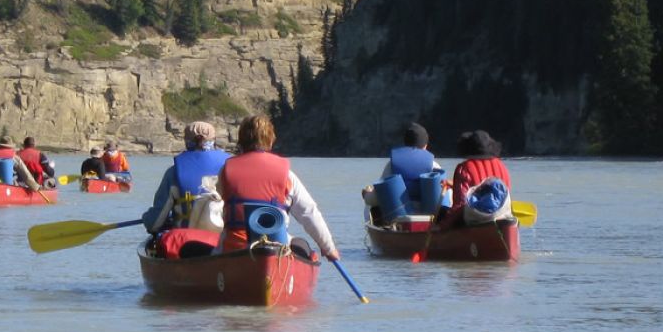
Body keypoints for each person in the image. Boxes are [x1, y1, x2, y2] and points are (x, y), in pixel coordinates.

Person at [216, 114, 339, 261]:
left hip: (234, 248)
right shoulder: (287, 175)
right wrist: (328, 248)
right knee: (302, 245)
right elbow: (308, 212)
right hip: (278, 248)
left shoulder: (225, 171)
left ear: (241, 140)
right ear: (270, 140)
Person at [142, 121, 228, 234]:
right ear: (213, 140)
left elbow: (154, 223)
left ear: (186, 142)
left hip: (187, 241)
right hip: (223, 238)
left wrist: (146, 218)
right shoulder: (229, 168)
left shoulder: (173, 173)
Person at [361, 121, 442, 221]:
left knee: (369, 207)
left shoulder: (392, 164)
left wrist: (366, 194)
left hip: (399, 220)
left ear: (405, 143)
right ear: (425, 145)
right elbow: (442, 196)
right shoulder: (434, 165)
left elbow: (377, 197)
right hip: (428, 221)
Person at [438, 130, 512, 227]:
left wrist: (443, 224)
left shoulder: (463, 169)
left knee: (442, 211)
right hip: (501, 217)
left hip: (474, 221)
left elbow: (460, 205)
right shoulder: (502, 167)